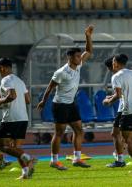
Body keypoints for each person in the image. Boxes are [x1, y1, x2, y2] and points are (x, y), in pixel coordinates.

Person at [37, 25, 94, 170]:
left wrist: (87, 36)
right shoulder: (61, 72)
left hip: (71, 104)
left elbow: (88, 51)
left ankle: (77, 158)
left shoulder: (78, 65)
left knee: (79, 130)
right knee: (60, 133)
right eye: (76, 56)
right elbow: (50, 86)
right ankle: (54, 160)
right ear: (69, 58)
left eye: (78, 56)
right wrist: (43, 101)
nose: (79, 58)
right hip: (60, 105)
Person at [0, 58, 36, 180]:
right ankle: (25, 173)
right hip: (23, 118)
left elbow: (12, 96)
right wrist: (7, 98)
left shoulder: (5, 80)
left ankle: (28, 158)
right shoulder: (19, 81)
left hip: (11, 118)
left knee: (2, 146)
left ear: (2, 67)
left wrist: (0, 101)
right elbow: (28, 100)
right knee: (16, 148)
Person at [104, 56, 126, 168]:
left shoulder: (116, 77)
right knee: (121, 135)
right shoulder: (129, 74)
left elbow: (119, 94)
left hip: (124, 108)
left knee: (118, 134)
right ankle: (120, 157)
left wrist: (109, 101)